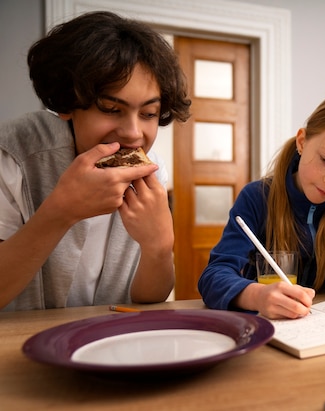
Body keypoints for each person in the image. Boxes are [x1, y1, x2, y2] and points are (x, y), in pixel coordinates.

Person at [0, 11, 191, 310]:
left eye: (149, 113)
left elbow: (151, 300)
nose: (132, 134)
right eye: (110, 108)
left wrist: (159, 247)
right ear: (67, 102)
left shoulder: (152, 169)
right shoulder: (11, 155)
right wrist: (61, 211)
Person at [198, 92, 325, 319]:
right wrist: (258, 296)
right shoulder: (256, 198)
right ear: (302, 142)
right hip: (261, 329)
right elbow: (213, 277)